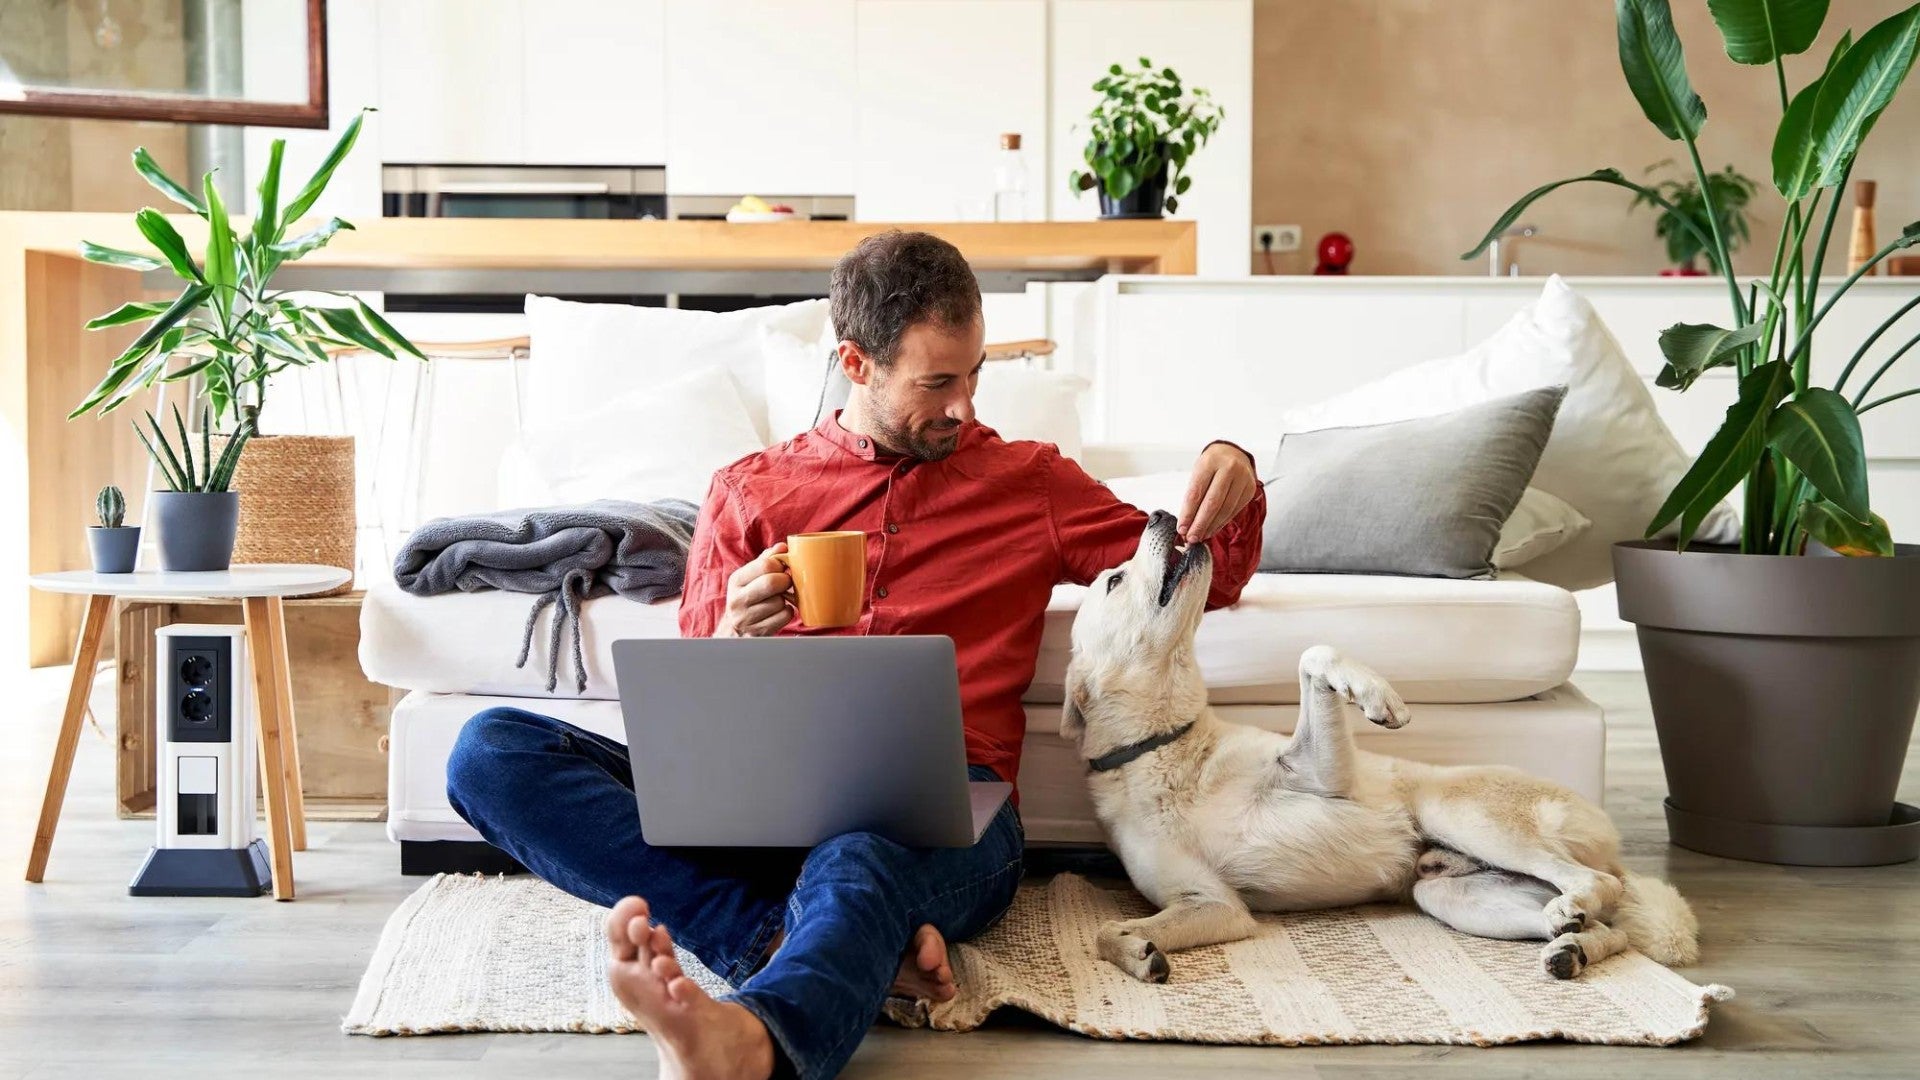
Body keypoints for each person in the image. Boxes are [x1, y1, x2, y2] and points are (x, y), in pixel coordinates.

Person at [444, 230, 1267, 1080]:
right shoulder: (751, 490)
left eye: (975, 374)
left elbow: (1208, 572)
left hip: (948, 814)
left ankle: (756, 1040)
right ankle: (794, 939)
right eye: (937, 382)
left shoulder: (1030, 484)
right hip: (759, 803)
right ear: (857, 362)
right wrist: (732, 634)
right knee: (490, 752)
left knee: (857, 856)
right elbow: (695, 707)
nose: (962, 406)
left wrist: (1232, 466)